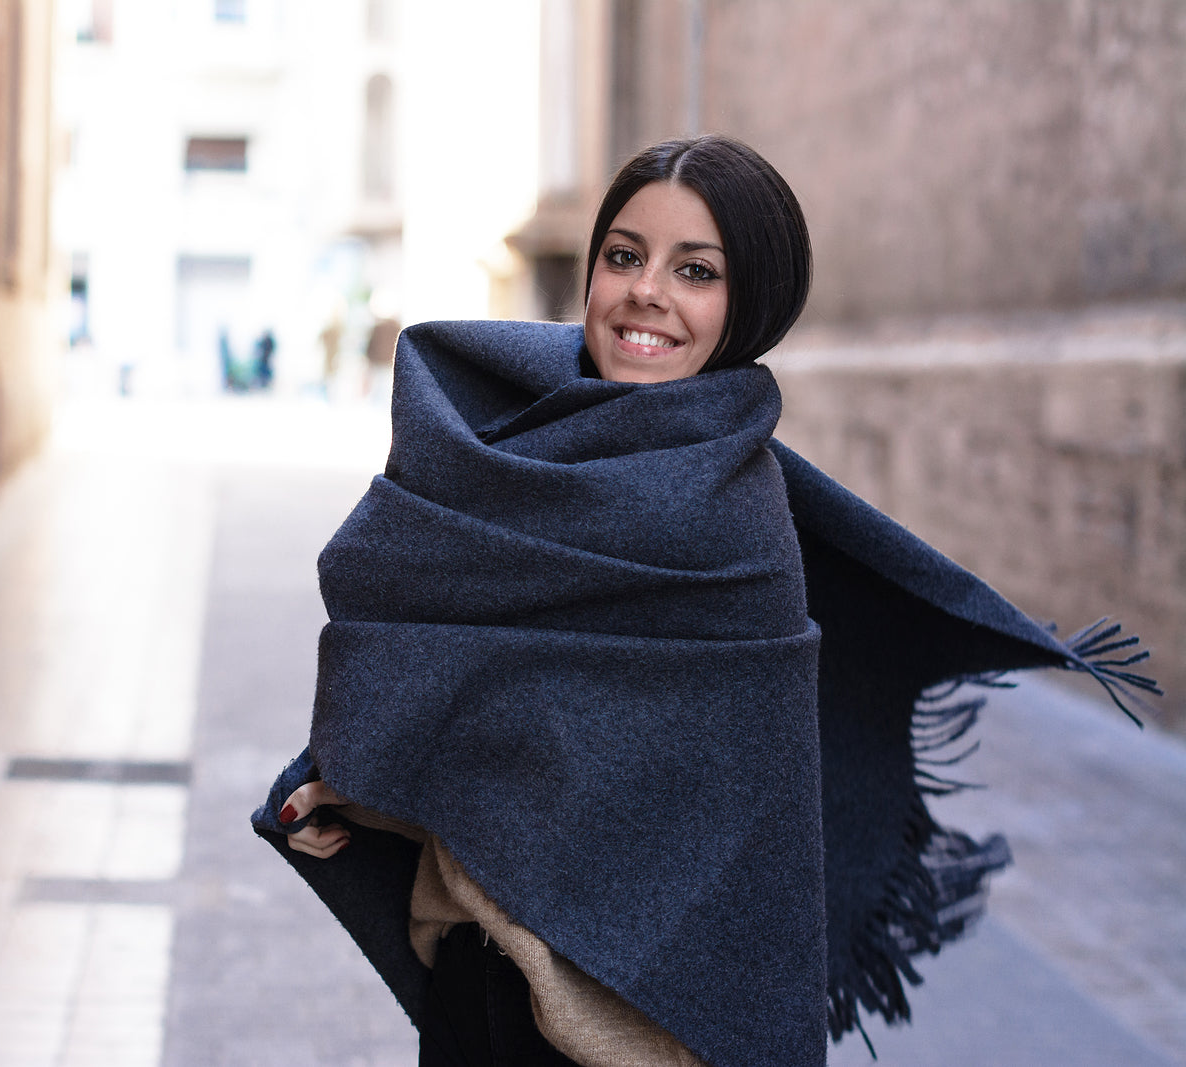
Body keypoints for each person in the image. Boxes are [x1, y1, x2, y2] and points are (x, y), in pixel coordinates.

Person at [252, 136, 1154, 1067]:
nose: (647, 291)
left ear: (747, 305)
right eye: (625, 256)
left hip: (625, 1025)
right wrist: (365, 794)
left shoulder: (735, 527)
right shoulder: (503, 448)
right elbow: (493, 717)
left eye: (696, 271)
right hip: (470, 987)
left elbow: (676, 810)